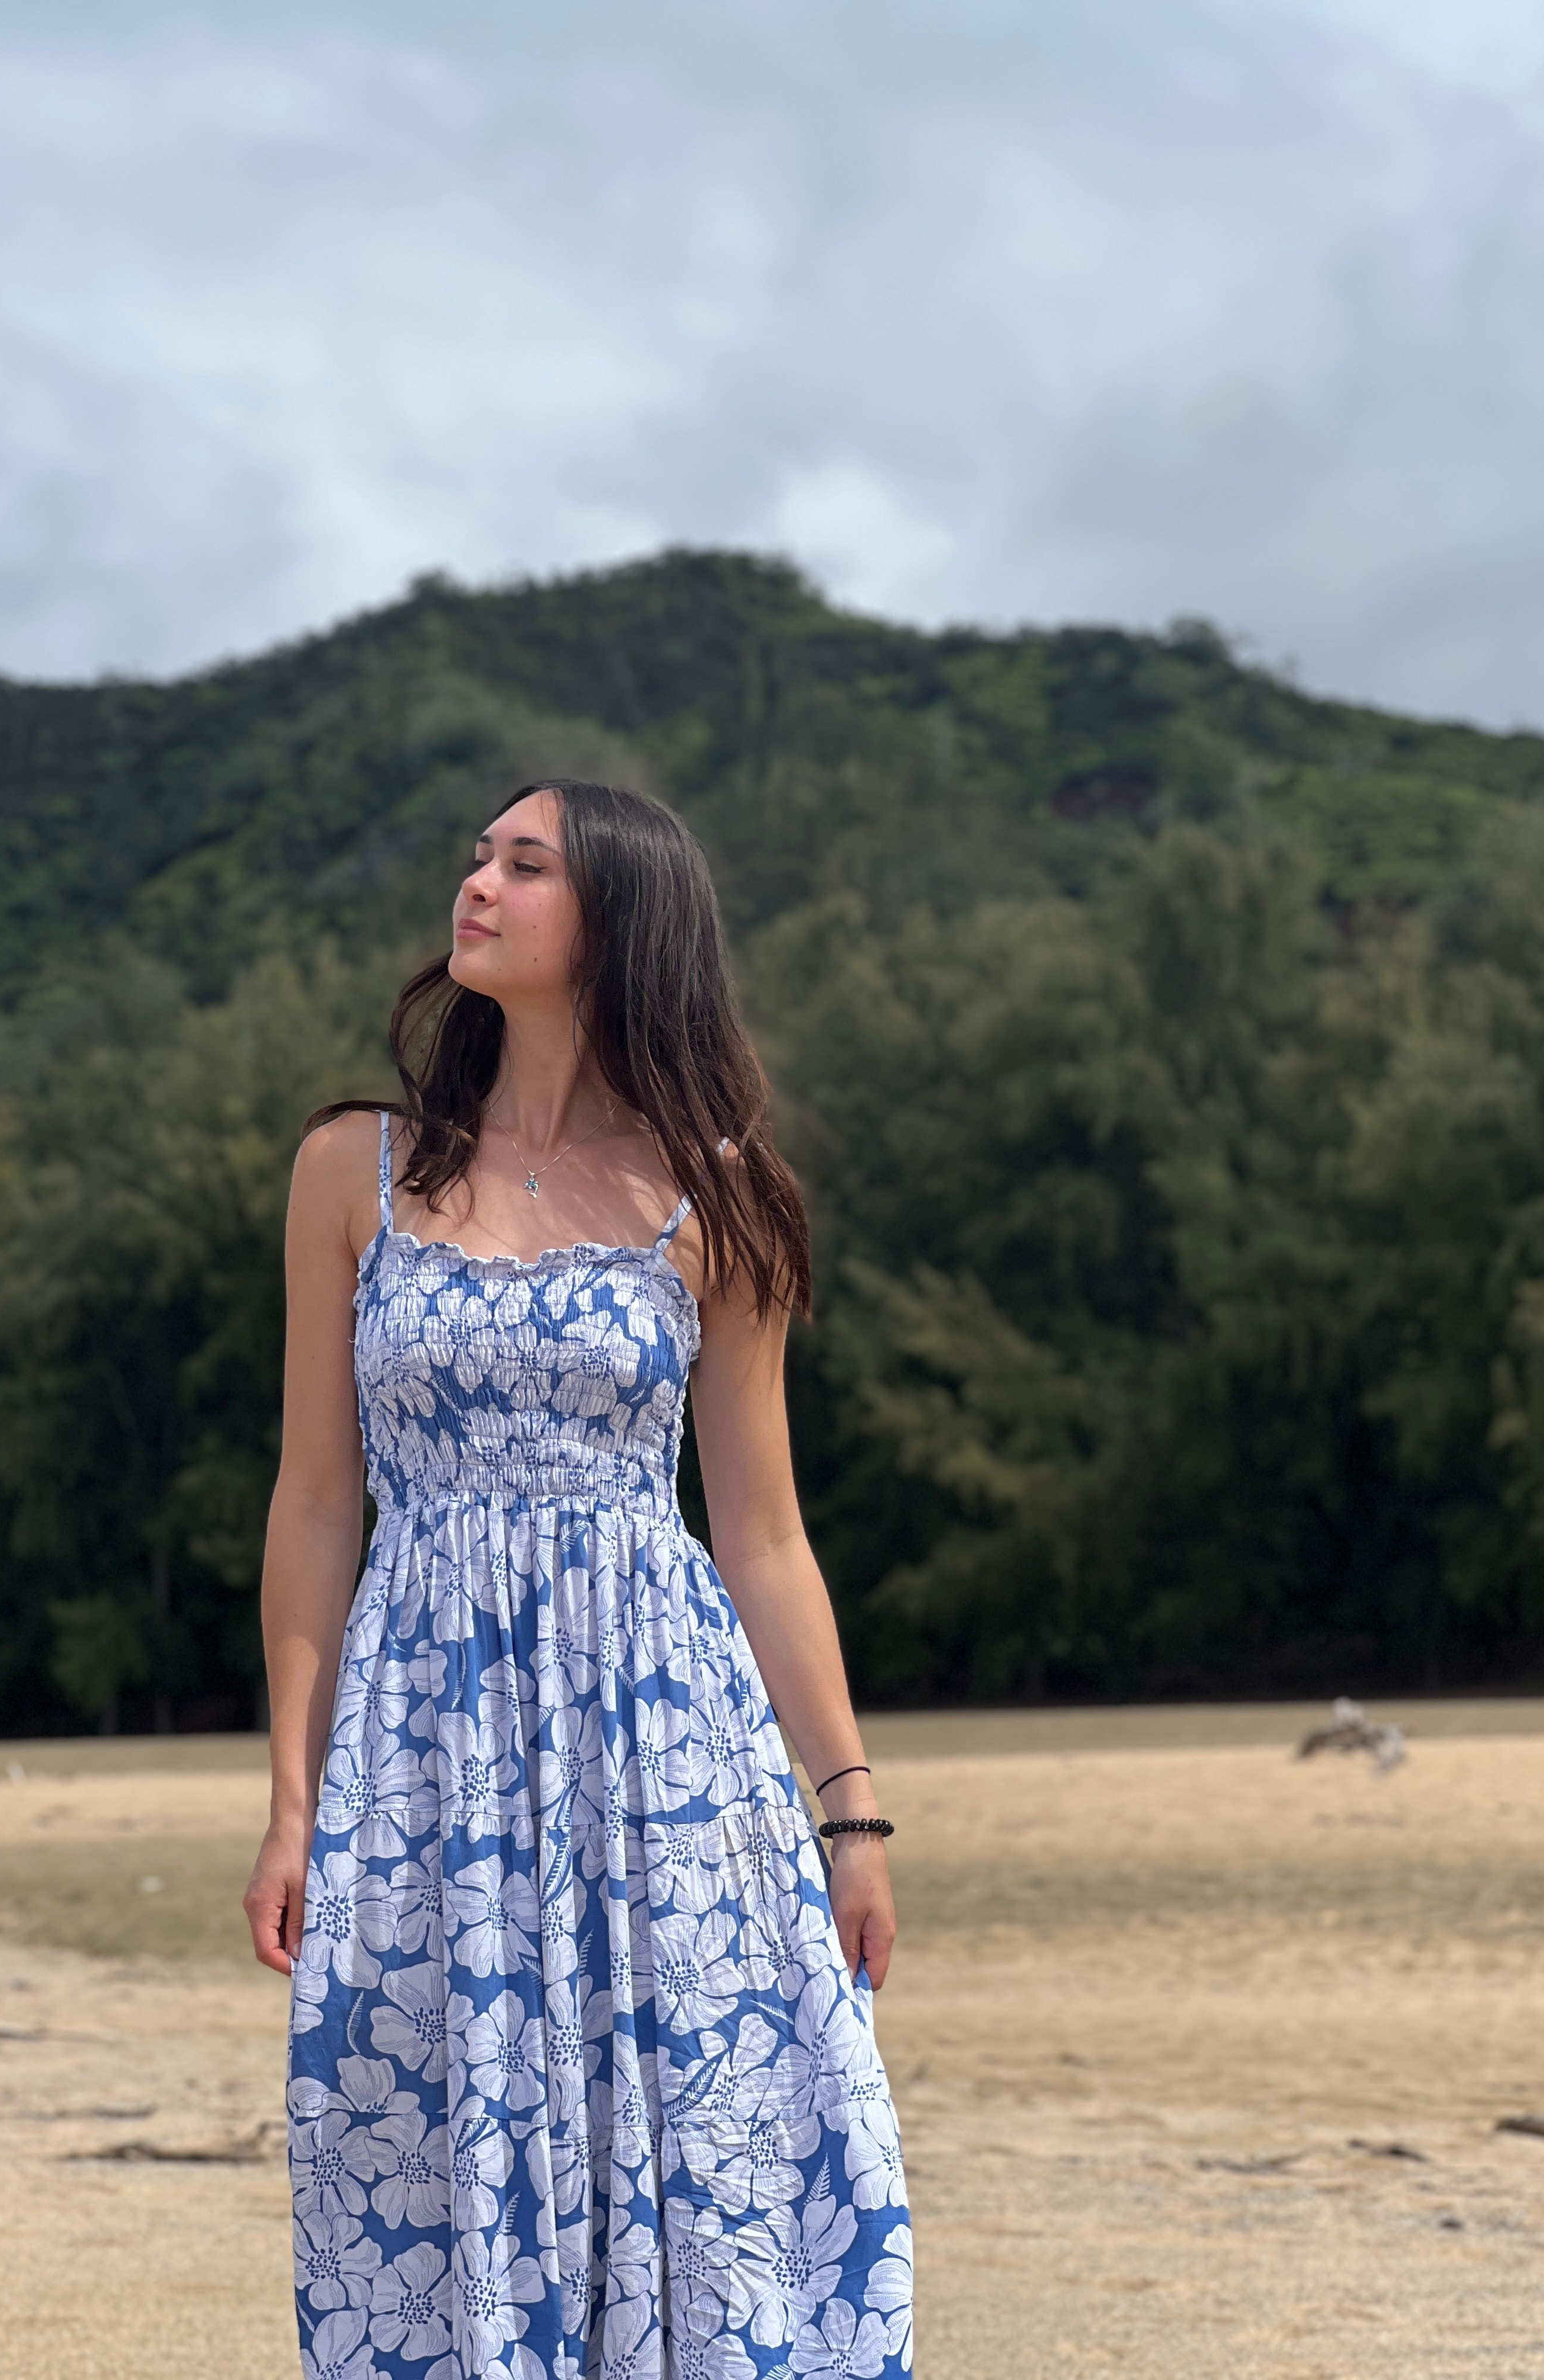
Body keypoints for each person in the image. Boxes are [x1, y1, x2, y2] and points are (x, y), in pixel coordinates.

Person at [244, 779, 912, 2380]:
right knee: (417, 2158)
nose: (477, 882)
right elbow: (318, 1503)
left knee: (713, 2151)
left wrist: (853, 1807)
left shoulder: (722, 1193)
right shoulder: (354, 1170)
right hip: (425, 1752)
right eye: (479, 855)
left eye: (523, 865)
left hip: (665, 1747)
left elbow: (761, 1529)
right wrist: (289, 1798)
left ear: (616, 921)